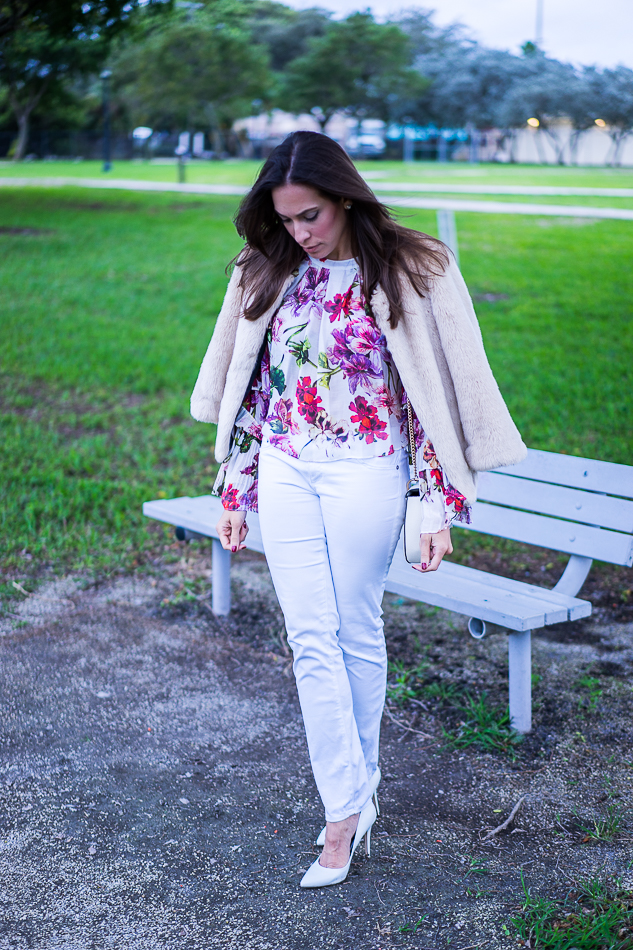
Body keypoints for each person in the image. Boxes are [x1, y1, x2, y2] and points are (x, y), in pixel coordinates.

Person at [191, 131, 526, 888]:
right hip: (283, 465)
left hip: (366, 471)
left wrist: (437, 502)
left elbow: (433, 395)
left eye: (309, 216)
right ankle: (342, 810)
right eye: (284, 220)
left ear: (343, 196)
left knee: (352, 627)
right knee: (309, 636)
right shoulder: (265, 266)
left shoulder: (414, 268)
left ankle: (360, 784)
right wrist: (236, 485)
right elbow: (257, 386)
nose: (299, 234)